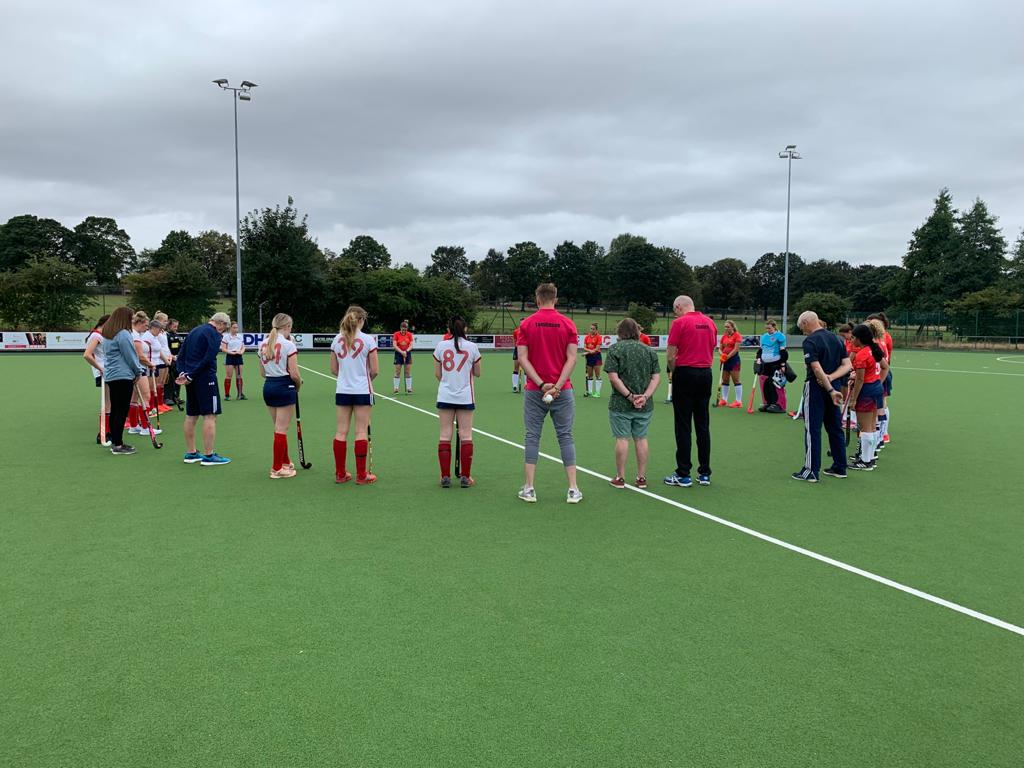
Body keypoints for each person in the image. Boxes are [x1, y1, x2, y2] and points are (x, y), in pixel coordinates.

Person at [516, 282, 582, 504]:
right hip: (563, 390)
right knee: (566, 436)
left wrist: (542, 383)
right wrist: (557, 385)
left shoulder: (526, 324)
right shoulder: (568, 324)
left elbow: (522, 358)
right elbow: (572, 358)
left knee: (532, 436)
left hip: (535, 390)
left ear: (537, 299)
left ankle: (530, 488)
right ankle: (573, 488)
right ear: (556, 298)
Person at [664, 296, 717, 487]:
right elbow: (713, 347)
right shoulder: (710, 323)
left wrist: (674, 371)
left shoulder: (680, 323)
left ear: (678, 307)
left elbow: (670, 355)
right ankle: (704, 473)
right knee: (703, 424)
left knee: (683, 424)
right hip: (705, 373)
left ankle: (683, 473)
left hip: (686, 372)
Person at [792, 311, 851, 482]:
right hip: (835, 386)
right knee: (835, 427)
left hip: (817, 389)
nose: (802, 331)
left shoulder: (810, 341)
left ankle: (811, 470)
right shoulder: (837, 339)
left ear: (806, 323)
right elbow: (847, 365)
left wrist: (828, 385)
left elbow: (816, 369)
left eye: (801, 327)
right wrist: (832, 380)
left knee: (812, 429)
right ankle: (840, 467)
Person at [604, 318, 661, 489]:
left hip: (621, 404)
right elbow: (656, 377)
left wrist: (630, 396)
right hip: (644, 405)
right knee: (641, 438)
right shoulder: (649, 351)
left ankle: (620, 477)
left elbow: (613, 377)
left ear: (620, 332)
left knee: (622, 439)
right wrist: (644, 396)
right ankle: (641, 477)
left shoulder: (615, 349)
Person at [330, 306, 379, 484]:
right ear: (361, 320)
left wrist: (347, 376)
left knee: (341, 431)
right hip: (362, 390)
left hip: (342, 390)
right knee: (360, 431)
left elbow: (334, 369)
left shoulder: (336, 339)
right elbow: (375, 370)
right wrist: (364, 378)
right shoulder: (368, 340)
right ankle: (361, 475)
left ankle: (340, 474)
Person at [175, 312, 232, 465]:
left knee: (191, 415)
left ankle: (191, 452)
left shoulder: (194, 331)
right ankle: (209, 455)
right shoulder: (213, 334)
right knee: (210, 415)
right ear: (220, 323)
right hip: (205, 378)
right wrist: (190, 375)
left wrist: (183, 373)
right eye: (224, 329)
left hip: (190, 378)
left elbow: (180, 356)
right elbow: (208, 358)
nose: (223, 332)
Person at [433, 317, 482, 488]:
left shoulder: (441, 346)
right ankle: (466, 477)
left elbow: (438, 374)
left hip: (445, 395)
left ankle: (445, 476)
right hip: (465, 396)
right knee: (466, 434)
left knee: (445, 435)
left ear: (449, 329)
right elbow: (477, 372)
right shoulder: (472, 347)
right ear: (465, 329)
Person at [257, 313, 302, 479]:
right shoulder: (288, 345)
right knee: (281, 429)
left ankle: (285, 461)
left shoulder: (263, 343)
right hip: (284, 386)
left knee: (279, 428)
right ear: (288, 327)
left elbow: (262, 372)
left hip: (268, 386)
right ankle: (277, 468)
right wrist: (298, 386)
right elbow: (294, 373)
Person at [100, 307, 143, 455]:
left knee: (115, 410)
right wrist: (138, 371)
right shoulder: (123, 334)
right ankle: (118, 444)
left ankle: (116, 441)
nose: (131, 321)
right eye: (130, 318)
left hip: (112, 375)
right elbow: (130, 355)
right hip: (123, 375)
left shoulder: (108, 334)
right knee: (121, 410)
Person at [847, 323, 889, 471]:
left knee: (864, 427)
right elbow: (885, 367)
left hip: (866, 391)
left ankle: (865, 461)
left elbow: (859, 379)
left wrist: (853, 399)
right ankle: (869, 459)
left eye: (853, 338)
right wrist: (878, 382)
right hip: (876, 389)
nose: (852, 341)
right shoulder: (874, 349)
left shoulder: (862, 354)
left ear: (860, 339)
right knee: (871, 426)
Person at [130, 311, 159, 437]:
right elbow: (140, 355)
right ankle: (145, 428)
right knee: (146, 397)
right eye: (145, 325)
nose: (147, 328)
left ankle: (133, 426)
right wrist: (150, 364)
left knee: (134, 398)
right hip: (139, 369)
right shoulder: (135, 335)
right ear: (140, 323)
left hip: (135, 369)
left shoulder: (135, 334)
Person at [84, 314, 111, 444]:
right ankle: (103, 434)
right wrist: (100, 368)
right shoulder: (96, 336)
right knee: (106, 403)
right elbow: (87, 355)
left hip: (107, 372)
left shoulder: (100, 335)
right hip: (103, 373)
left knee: (109, 402)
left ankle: (107, 432)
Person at [867, 312, 894, 445]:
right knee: (879, 403)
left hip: (879, 374)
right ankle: (879, 432)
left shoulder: (879, 340)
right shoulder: (882, 339)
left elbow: (886, 357)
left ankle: (882, 433)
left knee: (880, 404)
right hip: (882, 372)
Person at [756, 319, 787, 413]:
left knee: (776, 383)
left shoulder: (780, 336)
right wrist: (758, 359)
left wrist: (782, 364)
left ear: (774, 327)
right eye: (766, 328)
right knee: (765, 383)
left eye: (769, 328)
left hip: (776, 363)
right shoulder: (764, 337)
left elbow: (783, 352)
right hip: (765, 364)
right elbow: (760, 350)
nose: (768, 330)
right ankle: (767, 402)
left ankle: (779, 405)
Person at [717, 320, 743, 408]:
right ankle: (724, 399)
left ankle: (738, 401)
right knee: (725, 380)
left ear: (732, 327)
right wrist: (722, 355)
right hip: (724, 360)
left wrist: (727, 356)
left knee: (736, 380)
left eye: (728, 327)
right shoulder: (724, 336)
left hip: (734, 360)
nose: (726, 328)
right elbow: (720, 348)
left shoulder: (737, 335)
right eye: (725, 327)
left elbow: (736, 349)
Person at [152, 311, 174, 413]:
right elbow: (158, 347)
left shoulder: (164, 332)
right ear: (158, 321)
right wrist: (165, 358)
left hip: (166, 358)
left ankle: (161, 403)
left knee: (163, 382)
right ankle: (156, 405)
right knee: (158, 383)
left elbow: (165, 347)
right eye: (164, 321)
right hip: (159, 359)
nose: (166, 323)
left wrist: (170, 356)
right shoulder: (156, 333)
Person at [221, 321, 246, 400]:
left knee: (239, 376)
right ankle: (227, 395)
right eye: (234, 327)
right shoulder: (226, 337)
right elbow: (223, 349)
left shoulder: (240, 336)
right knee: (229, 376)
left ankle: (240, 394)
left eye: (237, 327)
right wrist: (231, 352)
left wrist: (241, 352)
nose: (236, 329)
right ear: (230, 328)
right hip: (230, 357)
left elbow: (243, 347)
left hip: (238, 357)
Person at [164, 318, 183, 406]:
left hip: (177, 360)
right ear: (169, 325)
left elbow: (181, 348)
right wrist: (171, 356)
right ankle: (168, 397)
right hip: (169, 360)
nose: (176, 328)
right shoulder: (166, 336)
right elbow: (165, 349)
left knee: (178, 378)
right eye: (174, 326)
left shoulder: (177, 336)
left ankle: (176, 396)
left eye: (177, 326)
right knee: (169, 379)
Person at [392, 319, 414, 394]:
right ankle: (396, 388)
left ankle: (409, 388)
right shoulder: (396, 334)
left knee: (407, 371)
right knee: (398, 371)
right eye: (402, 329)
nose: (404, 331)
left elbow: (411, 345)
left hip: (407, 353)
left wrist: (406, 351)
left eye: (405, 330)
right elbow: (394, 345)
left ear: (407, 329)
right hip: (398, 354)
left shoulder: (409, 334)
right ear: (400, 328)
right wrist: (401, 352)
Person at [582, 323, 603, 397]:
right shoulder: (587, 337)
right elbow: (584, 347)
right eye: (591, 328)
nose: (592, 330)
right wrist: (589, 351)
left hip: (596, 356)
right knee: (590, 375)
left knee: (597, 375)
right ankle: (590, 392)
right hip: (589, 357)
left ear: (596, 330)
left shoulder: (599, 337)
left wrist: (587, 352)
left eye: (593, 329)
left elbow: (597, 349)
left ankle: (597, 393)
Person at [511, 323, 523, 393]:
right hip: (517, 349)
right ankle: (515, 386)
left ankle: (526, 386)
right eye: (520, 323)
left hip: (525, 349)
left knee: (526, 369)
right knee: (516, 368)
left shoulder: (528, 330)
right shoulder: (516, 331)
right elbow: (514, 340)